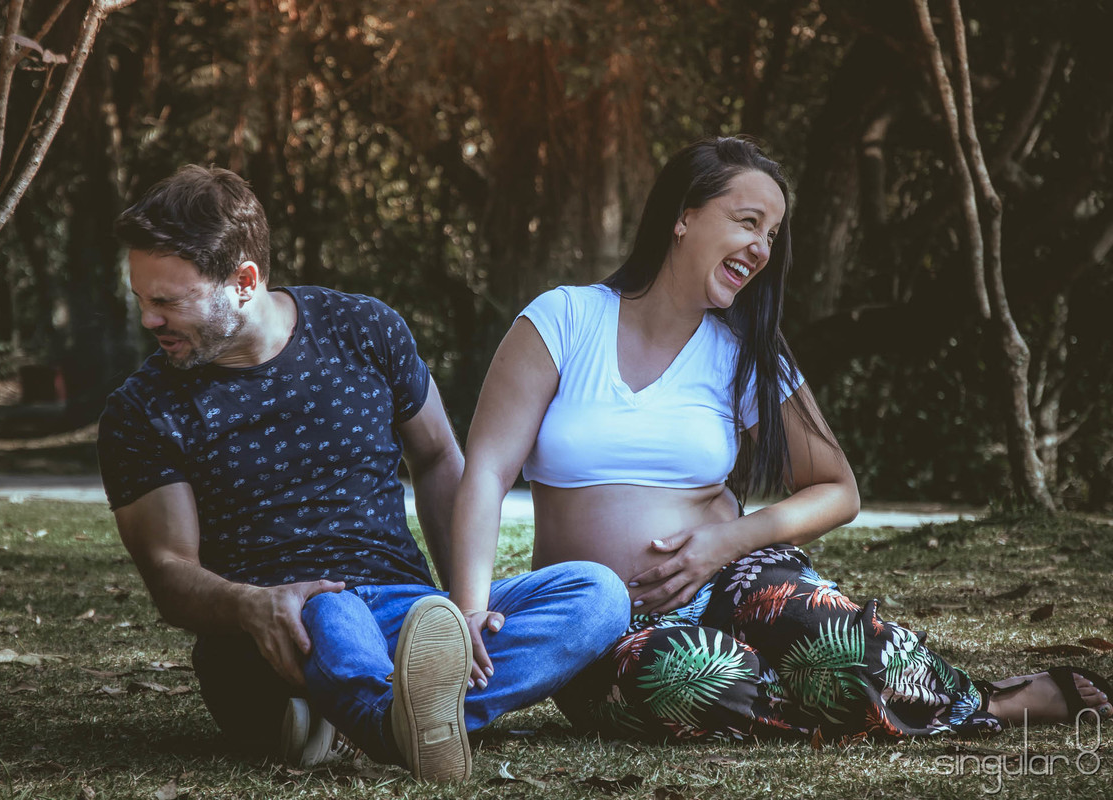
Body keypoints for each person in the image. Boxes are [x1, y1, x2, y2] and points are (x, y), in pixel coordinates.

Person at [447, 137, 1112, 744]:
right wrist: (470, 609)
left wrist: (724, 543)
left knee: (836, 643)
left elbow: (838, 490)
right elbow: (486, 473)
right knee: (692, 676)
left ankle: (986, 702)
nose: (762, 249)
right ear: (683, 216)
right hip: (610, 632)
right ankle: (845, 700)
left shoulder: (743, 354)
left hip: (733, 581)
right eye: (747, 222)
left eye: (771, 234)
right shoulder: (565, 320)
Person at [97, 165, 629, 781]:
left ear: (244, 282)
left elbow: (437, 457)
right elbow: (169, 571)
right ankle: (400, 719)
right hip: (284, 628)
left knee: (598, 593)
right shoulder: (143, 410)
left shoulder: (364, 329)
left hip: (410, 610)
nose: (149, 320)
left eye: (166, 302)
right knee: (333, 612)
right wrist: (252, 604)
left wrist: (464, 608)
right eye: (142, 299)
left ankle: (371, 718)